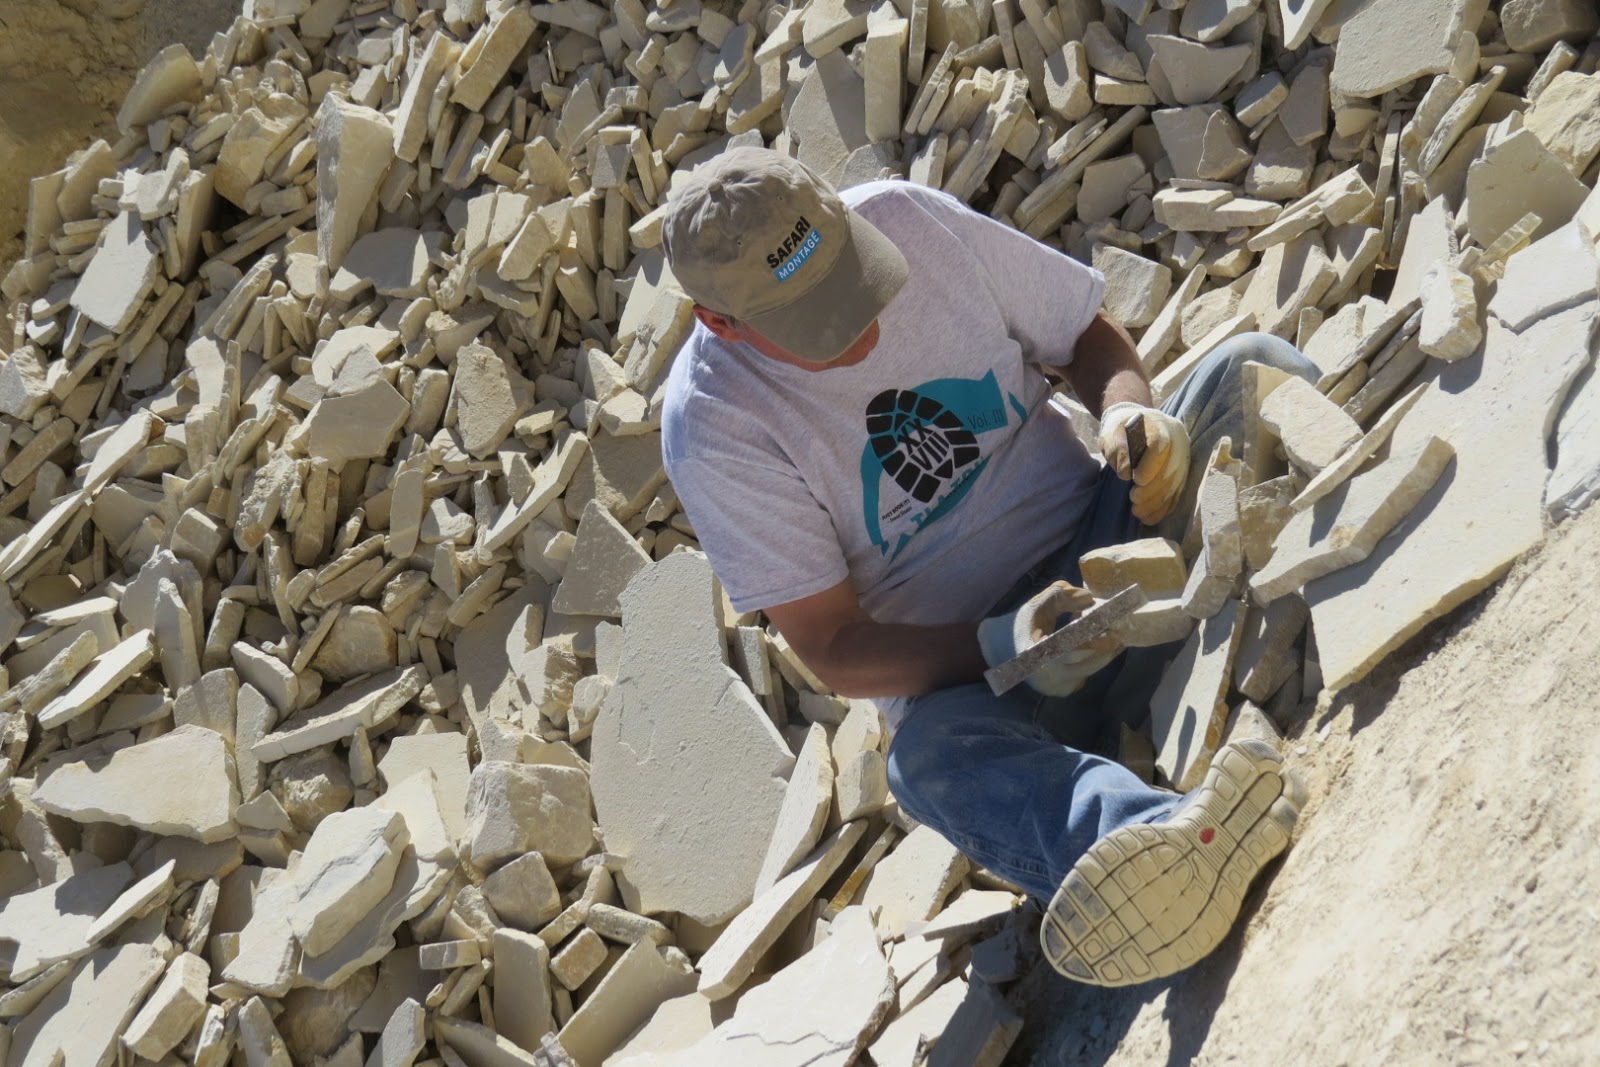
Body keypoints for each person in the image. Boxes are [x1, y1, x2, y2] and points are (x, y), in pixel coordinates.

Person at [658, 146, 1312, 986]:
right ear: (723, 324)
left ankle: (1360, 544)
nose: (859, 326)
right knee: (928, 762)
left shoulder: (905, 218)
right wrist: (1004, 641)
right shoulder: (715, 426)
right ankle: (1163, 849)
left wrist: (1132, 420)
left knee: (1249, 366)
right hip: (993, 680)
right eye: (817, 322)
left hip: (1112, 540)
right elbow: (831, 645)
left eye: (852, 278)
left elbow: (1085, 337)